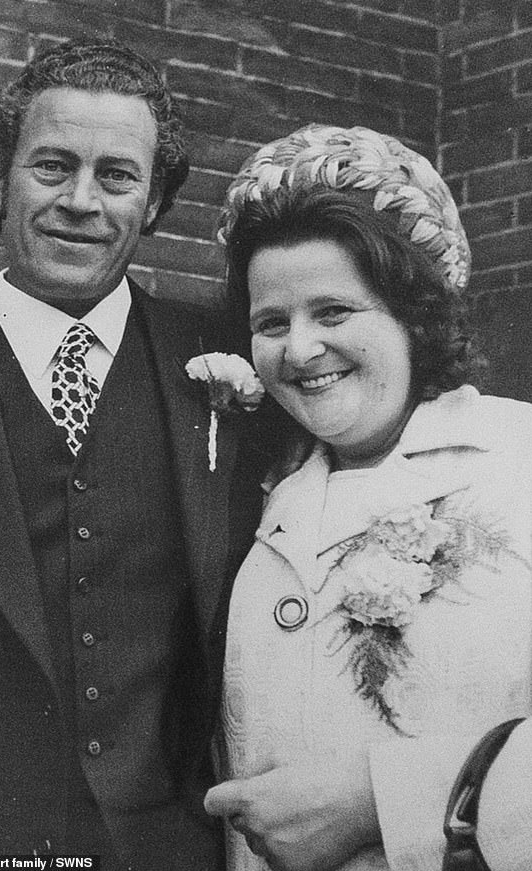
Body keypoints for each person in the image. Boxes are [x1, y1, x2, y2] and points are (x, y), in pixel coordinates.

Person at [0, 39, 267, 869]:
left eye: (117, 176)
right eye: (52, 166)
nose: (81, 202)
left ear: (155, 202)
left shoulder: (236, 370)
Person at [203, 124, 532, 871]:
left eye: (334, 312)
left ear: (416, 313)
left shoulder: (522, 460)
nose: (299, 349)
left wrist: (382, 801)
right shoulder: (263, 498)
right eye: (270, 323)